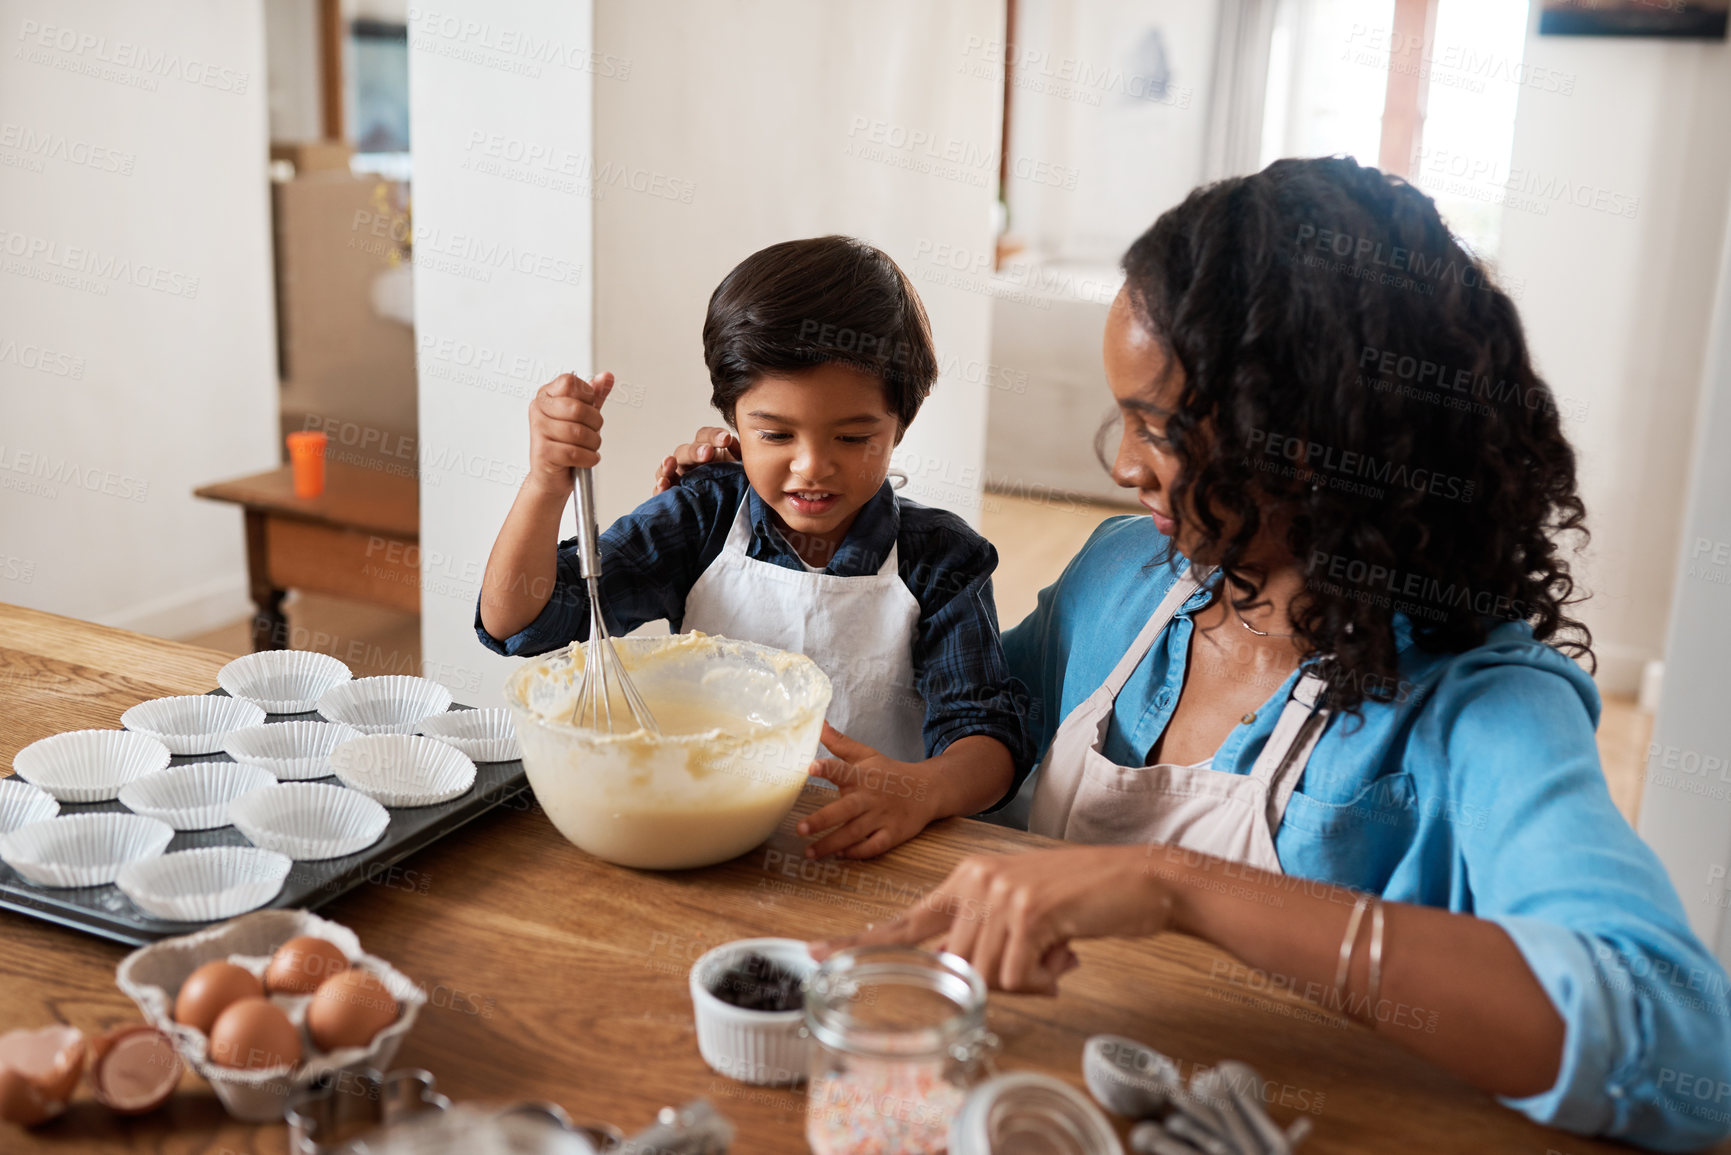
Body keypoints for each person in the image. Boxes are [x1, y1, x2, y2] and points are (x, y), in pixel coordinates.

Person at [661, 161, 1731, 1150]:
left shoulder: (1480, 707)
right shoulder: (1126, 578)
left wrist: (1179, 884)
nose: (1123, 465)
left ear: (1311, 438)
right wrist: (750, 512)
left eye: (1158, 428)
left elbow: (1689, 1048)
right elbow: (971, 728)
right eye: (1119, 421)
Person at [477, 235, 1033, 860]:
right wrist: (546, 481)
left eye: (853, 438)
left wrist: (926, 789)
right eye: (775, 433)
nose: (812, 467)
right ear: (732, 422)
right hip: (703, 833)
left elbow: (987, 739)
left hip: (869, 847)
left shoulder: (941, 558)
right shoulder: (701, 518)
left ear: (900, 425)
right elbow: (519, 623)